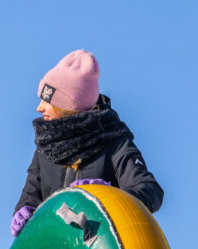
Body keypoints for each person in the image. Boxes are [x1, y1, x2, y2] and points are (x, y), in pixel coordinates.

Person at [11, 49, 162, 237]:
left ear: (67, 106)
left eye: (47, 101)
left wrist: (108, 196)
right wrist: (23, 209)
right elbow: (30, 196)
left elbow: (151, 191)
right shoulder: (46, 147)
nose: (39, 108)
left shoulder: (114, 142)